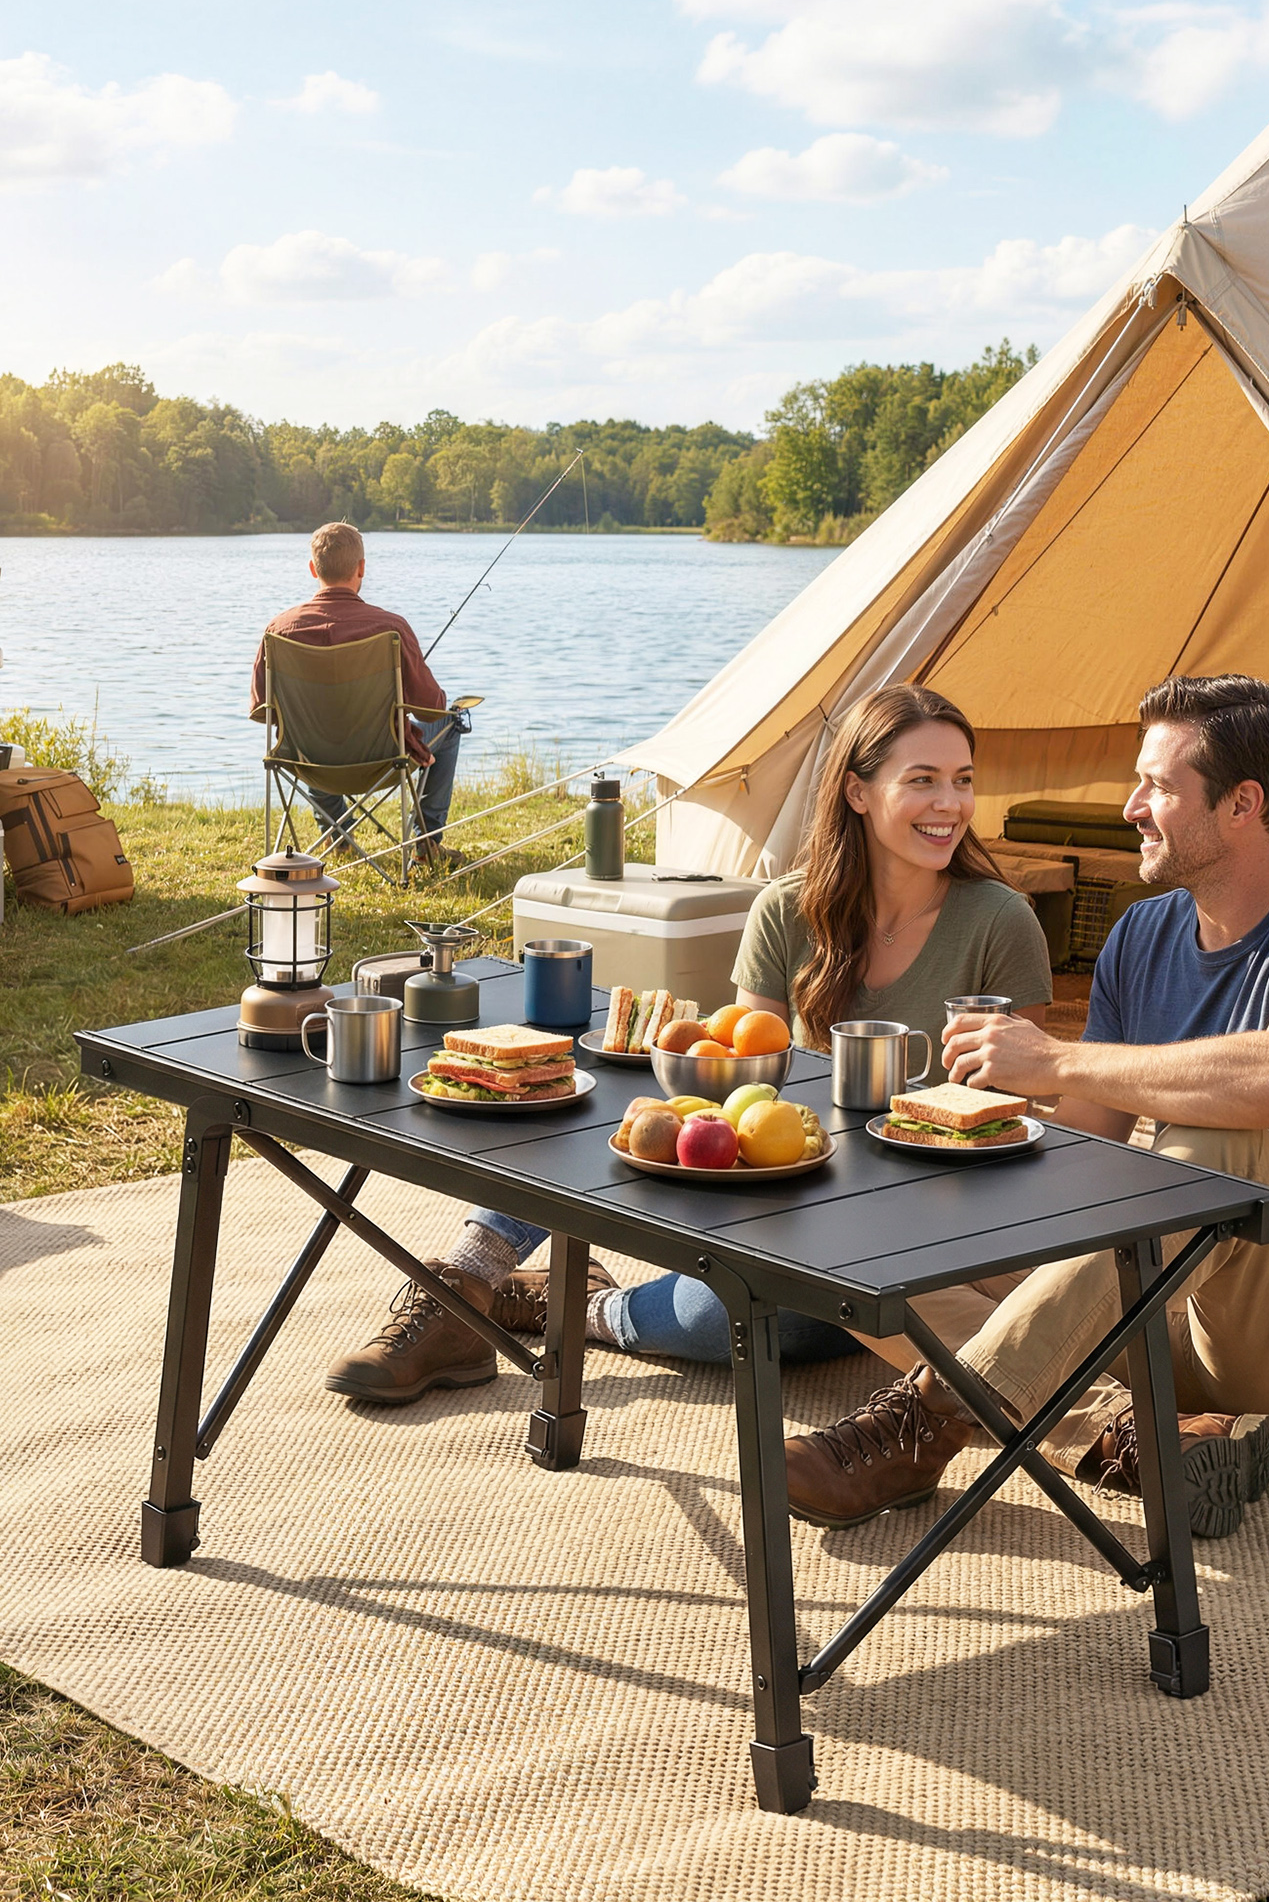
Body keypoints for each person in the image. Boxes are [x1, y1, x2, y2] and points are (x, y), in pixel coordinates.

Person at [781, 674, 1269, 1542]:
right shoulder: (1143, 933)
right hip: (1163, 1308)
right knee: (860, 1234)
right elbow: (1084, 1145)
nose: (1131, 807)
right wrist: (940, 1160)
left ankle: (923, 1426)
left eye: (1157, 785)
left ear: (1243, 805)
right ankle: (1136, 1438)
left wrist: (1056, 1059)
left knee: (1208, 1140)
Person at [321, 683, 1054, 1402]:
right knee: (605, 1107)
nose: (950, 805)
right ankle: (463, 1285)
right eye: (921, 780)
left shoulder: (1000, 921)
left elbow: (1024, 1109)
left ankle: (571, 1306)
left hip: (918, 1213)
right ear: (858, 793)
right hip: (795, 1178)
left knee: (738, 1322)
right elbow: (733, 1074)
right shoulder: (788, 909)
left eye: (962, 781)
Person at [249, 521, 467, 865]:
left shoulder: (278, 631)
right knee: (453, 723)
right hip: (382, 759)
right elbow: (432, 712)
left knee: (315, 727)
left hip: (308, 762)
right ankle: (426, 845)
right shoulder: (390, 628)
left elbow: (264, 711)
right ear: (361, 568)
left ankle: (338, 836)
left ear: (312, 569)